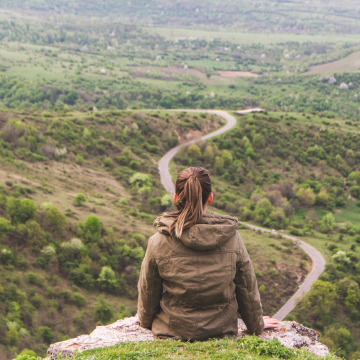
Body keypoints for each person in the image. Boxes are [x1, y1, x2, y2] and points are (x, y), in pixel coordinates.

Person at [137, 167, 278, 340]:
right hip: (221, 331)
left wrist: (144, 322)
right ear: (210, 197)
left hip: (171, 331)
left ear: (176, 198)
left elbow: (148, 291)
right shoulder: (231, 237)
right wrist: (256, 325)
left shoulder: (158, 241)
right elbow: (246, 288)